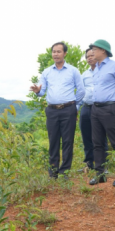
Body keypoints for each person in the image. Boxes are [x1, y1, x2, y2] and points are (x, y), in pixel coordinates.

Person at [30, 42, 85, 179]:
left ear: (65, 53)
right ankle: (53, 172)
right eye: (54, 51)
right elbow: (42, 91)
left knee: (67, 141)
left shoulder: (73, 71)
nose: (55, 54)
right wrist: (37, 91)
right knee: (53, 141)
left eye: (58, 51)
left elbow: (81, 90)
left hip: (68, 110)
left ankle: (64, 172)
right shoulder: (47, 72)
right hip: (52, 111)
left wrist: (74, 107)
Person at [87, 39, 115, 187]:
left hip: (110, 108)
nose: (92, 52)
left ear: (103, 51)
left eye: (94, 49)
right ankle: (100, 174)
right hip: (95, 108)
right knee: (97, 143)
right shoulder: (96, 68)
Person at [78, 48, 108, 172]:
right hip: (86, 107)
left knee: (100, 137)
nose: (89, 58)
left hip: (101, 108)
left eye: (92, 55)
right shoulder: (84, 75)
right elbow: (81, 92)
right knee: (86, 137)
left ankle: (103, 166)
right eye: (87, 56)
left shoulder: (105, 72)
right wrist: (76, 107)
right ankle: (89, 164)